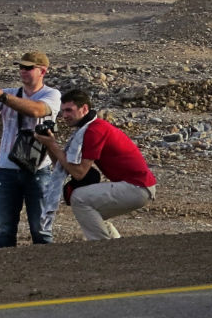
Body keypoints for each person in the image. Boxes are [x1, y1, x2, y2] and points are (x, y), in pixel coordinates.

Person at [0, 52, 61, 248]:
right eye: (21, 67)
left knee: (40, 229)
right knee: (5, 229)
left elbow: (37, 110)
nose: (23, 71)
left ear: (43, 71)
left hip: (38, 170)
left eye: (28, 68)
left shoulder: (52, 95)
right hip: (7, 169)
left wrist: (3, 97)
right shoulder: (9, 93)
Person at [36, 89, 157, 241]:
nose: (64, 116)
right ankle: (115, 244)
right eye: (62, 111)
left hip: (138, 187)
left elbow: (79, 173)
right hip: (138, 186)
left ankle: (100, 246)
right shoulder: (87, 129)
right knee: (91, 212)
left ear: (84, 109)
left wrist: (53, 145)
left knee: (79, 198)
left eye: (69, 110)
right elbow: (66, 166)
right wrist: (49, 145)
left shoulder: (94, 130)